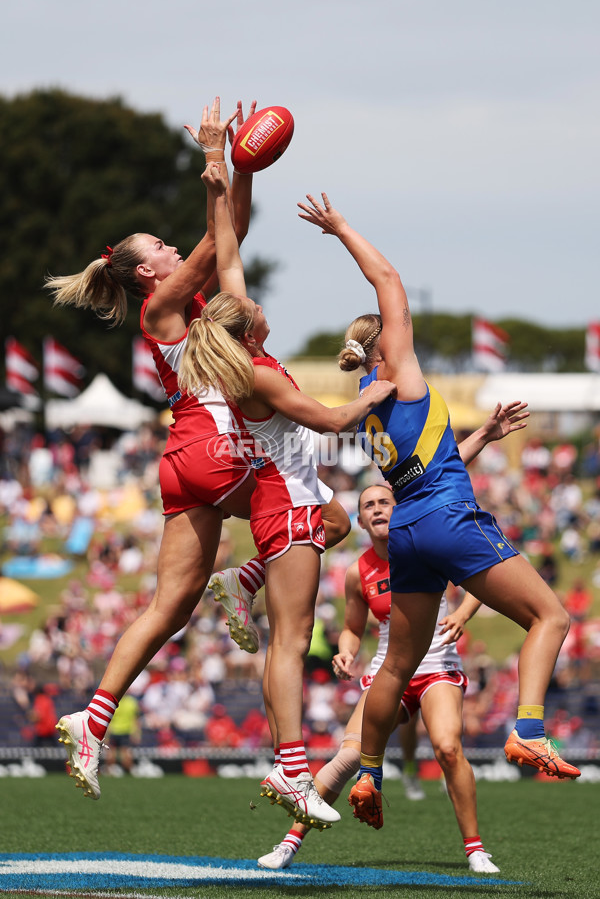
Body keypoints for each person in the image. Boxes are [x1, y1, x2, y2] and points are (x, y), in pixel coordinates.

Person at [44, 97, 318, 801]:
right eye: (159, 249)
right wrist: (216, 158)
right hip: (216, 449)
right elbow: (216, 232)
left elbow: (231, 233)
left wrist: (244, 169)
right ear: (145, 273)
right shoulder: (161, 307)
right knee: (321, 516)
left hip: (185, 464)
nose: (172, 249)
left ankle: (91, 721)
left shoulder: (190, 306)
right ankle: (252, 584)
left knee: (169, 605)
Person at [296, 192, 581, 830]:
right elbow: (389, 280)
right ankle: (530, 730)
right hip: (448, 519)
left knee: (396, 663)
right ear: (385, 350)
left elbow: (425, 467)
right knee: (551, 617)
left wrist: (482, 438)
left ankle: (368, 770)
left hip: (409, 531)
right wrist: (341, 226)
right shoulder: (404, 377)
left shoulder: (368, 406)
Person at [177, 162, 397, 828]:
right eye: (254, 310)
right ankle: (292, 768)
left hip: (296, 502)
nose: (261, 303)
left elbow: (230, 251)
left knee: (340, 524)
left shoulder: (247, 354)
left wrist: (225, 174)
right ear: (248, 330)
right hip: (287, 503)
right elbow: (332, 421)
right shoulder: (259, 375)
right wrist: (385, 387)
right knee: (290, 643)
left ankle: (240, 581)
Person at [258, 398, 528, 873]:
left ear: (398, 505)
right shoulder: (357, 572)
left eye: (385, 500)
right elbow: (351, 630)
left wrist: (464, 611)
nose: (379, 508)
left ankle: (475, 849)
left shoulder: (425, 537)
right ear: (360, 522)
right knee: (346, 757)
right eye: (369, 506)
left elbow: (479, 567)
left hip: (438, 665)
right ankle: (288, 844)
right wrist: (345, 653)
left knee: (447, 748)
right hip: (388, 668)